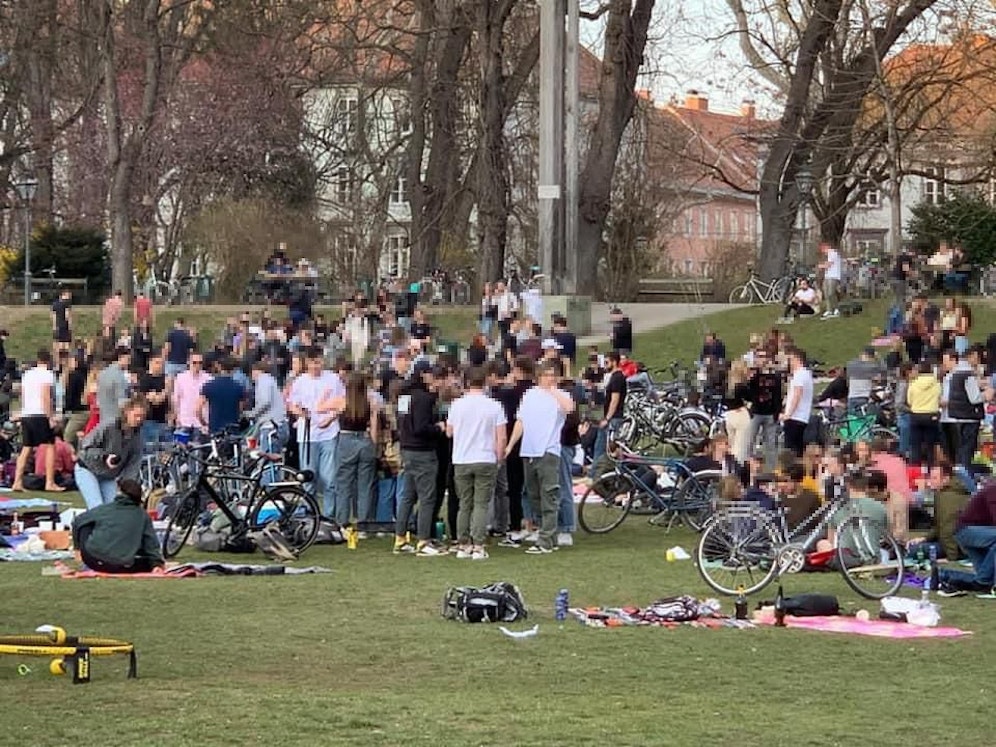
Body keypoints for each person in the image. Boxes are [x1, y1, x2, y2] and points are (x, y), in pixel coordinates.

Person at [505, 359, 575, 554]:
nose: (549, 378)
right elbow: (521, 421)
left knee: (549, 494)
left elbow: (569, 408)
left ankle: (546, 540)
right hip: (529, 450)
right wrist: (510, 445)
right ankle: (547, 531)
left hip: (548, 450)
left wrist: (552, 390)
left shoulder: (561, 395)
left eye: (553, 375)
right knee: (533, 494)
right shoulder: (530, 395)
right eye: (546, 375)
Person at [447, 366, 506, 560]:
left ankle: (463, 544)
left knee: (465, 503)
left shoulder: (456, 405)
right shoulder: (494, 406)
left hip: (462, 458)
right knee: (481, 503)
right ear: (485, 382)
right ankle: (478, 545)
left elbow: (449, 432)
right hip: (485, 457)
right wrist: (499, 456)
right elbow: (501, 437)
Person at [393, 362, 447, 556]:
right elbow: (421, 428)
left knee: (407, 496)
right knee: (427, 497)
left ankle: (400, 538)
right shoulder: (423, 399)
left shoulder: (404, 396)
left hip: (406, 449)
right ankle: (423, 541)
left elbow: (402, 422)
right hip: (423, 451)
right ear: (424, 375)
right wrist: (439, 428)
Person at [287, 348, 345, 520]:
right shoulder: (300, 382)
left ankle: (328, 515)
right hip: (307, 434)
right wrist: (300, 412)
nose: (315, 366)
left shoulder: (333, 379)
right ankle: (308, 513)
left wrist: (331, 417)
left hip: (328, 433)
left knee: (329, 478)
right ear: (307, 363)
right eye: (312, 363)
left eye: (318, 362)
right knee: (308, 477)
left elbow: (342, 403)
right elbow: (292, 404)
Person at [71, 478, 164, 573]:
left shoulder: (105, 509)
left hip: (93, 560)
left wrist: (77, 548)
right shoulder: (143, 515)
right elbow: (151, 543)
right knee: (144, 557)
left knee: (86, 524)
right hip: (122, 565)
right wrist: (156, 564)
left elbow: (78, 520)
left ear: (119, 491)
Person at [74, 395, 147, 509]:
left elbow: (133, 465)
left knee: (114, 509)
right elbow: (86, 447)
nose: (138, 419)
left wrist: (127, 488)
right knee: (97, 507)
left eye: (141, 417)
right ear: (127, 412)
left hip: (108, 476)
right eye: (136, 415)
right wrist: (104, 457)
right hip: (87, 469)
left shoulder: (138, 437)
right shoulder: (108, 425)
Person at [12, 350, 64, 493]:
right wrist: (50, 417)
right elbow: (45, 396)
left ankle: (17, 481)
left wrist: (23, 411)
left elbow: (22, 395)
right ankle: (50, 482)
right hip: (40, 413)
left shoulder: (27, 374)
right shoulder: (47, 375)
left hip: (27, 413)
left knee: (26, 447)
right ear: (48, 361)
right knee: (50, 446)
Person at [334, 372, 379, 530]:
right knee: (365, 485)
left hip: (346, 441)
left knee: (344, 483)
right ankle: (363, 523)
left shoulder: (342, 402)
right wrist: (374, 446)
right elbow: (373, 428)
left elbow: (320, 408)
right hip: (365, 440)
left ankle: (342, 522)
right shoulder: (370, 402)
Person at [937, 482, 996, 595]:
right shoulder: (993, 489)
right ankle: (981, 583)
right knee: (984, 580)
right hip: (967, 531)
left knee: (988, 579)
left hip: (979, 533)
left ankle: (943, 574)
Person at [746, 349, 782, 468]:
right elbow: (749, 389)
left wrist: (777, 412)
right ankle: (747, 467)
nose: (762, 359)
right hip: (756, 412)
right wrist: (756, 371)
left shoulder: (774, 375)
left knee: (771, 444)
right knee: (749, 441)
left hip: (770, 412)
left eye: (764, 356)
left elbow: (778, 394)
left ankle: (771, 470)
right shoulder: (754, 374)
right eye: (760, 357)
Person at [593, 352, 626, 465]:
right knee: (612, 448)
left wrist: (607, 418)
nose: (605, 365)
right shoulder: (614, 377)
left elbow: (615, 400)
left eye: (607, 362)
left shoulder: (617, 378)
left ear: (614, 362)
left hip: (613, 417)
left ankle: (595, 473)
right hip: (612, 416)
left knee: (601, 447)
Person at [199, 357, 246, 434]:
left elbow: (198, 408)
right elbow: (240, 408)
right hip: (232, 427)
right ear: (233, 369)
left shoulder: (209, 386)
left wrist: (203, 422)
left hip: (215, 427)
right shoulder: (238, 387)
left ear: (219, 367)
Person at [780, 348, 813, 457]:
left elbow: (797, 394)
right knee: (798, 449)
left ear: (796, 359)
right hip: (802, 417)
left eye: (790, 359)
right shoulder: (806, 374)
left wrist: (788, 414)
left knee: (791, 449)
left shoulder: (800, 374)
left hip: (795, 417)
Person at [907, 361, 941, 467]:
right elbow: (939, 397)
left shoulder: (913, 383)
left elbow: (909, 401)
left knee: (915, 445)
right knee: (930, 445)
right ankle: (931, 469)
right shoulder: (936, 383)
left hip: (916, 415)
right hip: (932, 415)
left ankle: (915, 469)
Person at [172, 351, 212, 434]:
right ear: (188, 362)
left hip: (201, 421)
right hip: (185, 419)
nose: (197, 365)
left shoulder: (209, 379)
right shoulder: (180, 377)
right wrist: (177, 416)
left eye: (200, 363)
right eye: (194, 363)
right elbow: (176, 398)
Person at [137, 354, 170, 448]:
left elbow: (168, 399)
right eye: (157, 363)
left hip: (163, 420)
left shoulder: (165, 378)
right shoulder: (145, 380)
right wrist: (167, 389)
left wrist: (170, 411)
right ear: (150, 363)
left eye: (162, 363)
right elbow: (156, 401)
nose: (160, 365)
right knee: (151, 448)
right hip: (149, 420)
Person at [32, 422, 76, 490]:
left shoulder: (41, 445)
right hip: (56, 477)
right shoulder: (63, 446)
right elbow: (69, 466)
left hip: (39, 477)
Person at [97, 347, 131, 426]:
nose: (129, 363)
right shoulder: (120, 376)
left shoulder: (102, 373)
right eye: (128, 359)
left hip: (103, 416)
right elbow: (122, 401)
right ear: (121, 357)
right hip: (115, 417)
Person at [846, 346, 885, 415]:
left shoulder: (851, 365)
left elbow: (848, 382)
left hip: (851, 398)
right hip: (863, 398)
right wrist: (879, 358)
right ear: (872, 356)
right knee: (865, 422)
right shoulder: (871, 367)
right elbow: (884, 371)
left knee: (853, 423)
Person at [817, 242, 842, 319]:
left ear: (826, 247)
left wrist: (821, 266)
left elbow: (829, 264)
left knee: (831, 293)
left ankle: (836, 309)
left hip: (834, 276)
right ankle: (829, 310)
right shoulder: (828, 255)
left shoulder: (833, 253)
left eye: (823, 250)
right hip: (827, 276)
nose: (823, 252)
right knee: (826, 293)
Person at [51, 289, 73, 355]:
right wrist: (70, 326)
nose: (70, 298)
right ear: (64, 295)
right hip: (65, 326)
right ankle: (67, 360)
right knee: (66, 345)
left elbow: (53, 316)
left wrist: (54, 326)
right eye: (69, 296)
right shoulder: (67, 304)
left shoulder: (55, 304)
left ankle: (57, 360)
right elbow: (67, 315)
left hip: (57, 326)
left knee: (57, 344)